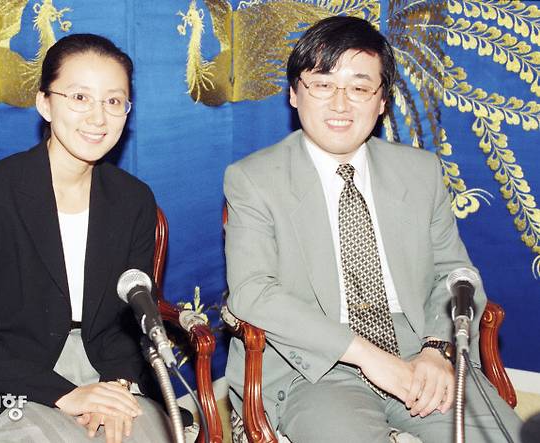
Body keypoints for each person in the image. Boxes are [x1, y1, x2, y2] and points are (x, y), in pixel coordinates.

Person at [223, 16, 523, 442]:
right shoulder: (254, 179)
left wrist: (437, 349)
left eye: (359, 88)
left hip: (419, 350)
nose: (340, 104)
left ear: (382, 100)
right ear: (293, 93)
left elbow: (456, 274)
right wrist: (367, 356)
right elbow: (253, 291)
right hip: (315, 367)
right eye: (322, 85)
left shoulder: (420, 172)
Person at [0, 34, 171, 443]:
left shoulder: (134, 199)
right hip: (2, 377)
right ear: (44, 103)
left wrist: (119, 384)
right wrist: (66, 395)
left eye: (113, 101)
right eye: (80, 97)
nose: (98, 118)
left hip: (104, 368)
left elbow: (130, 320)